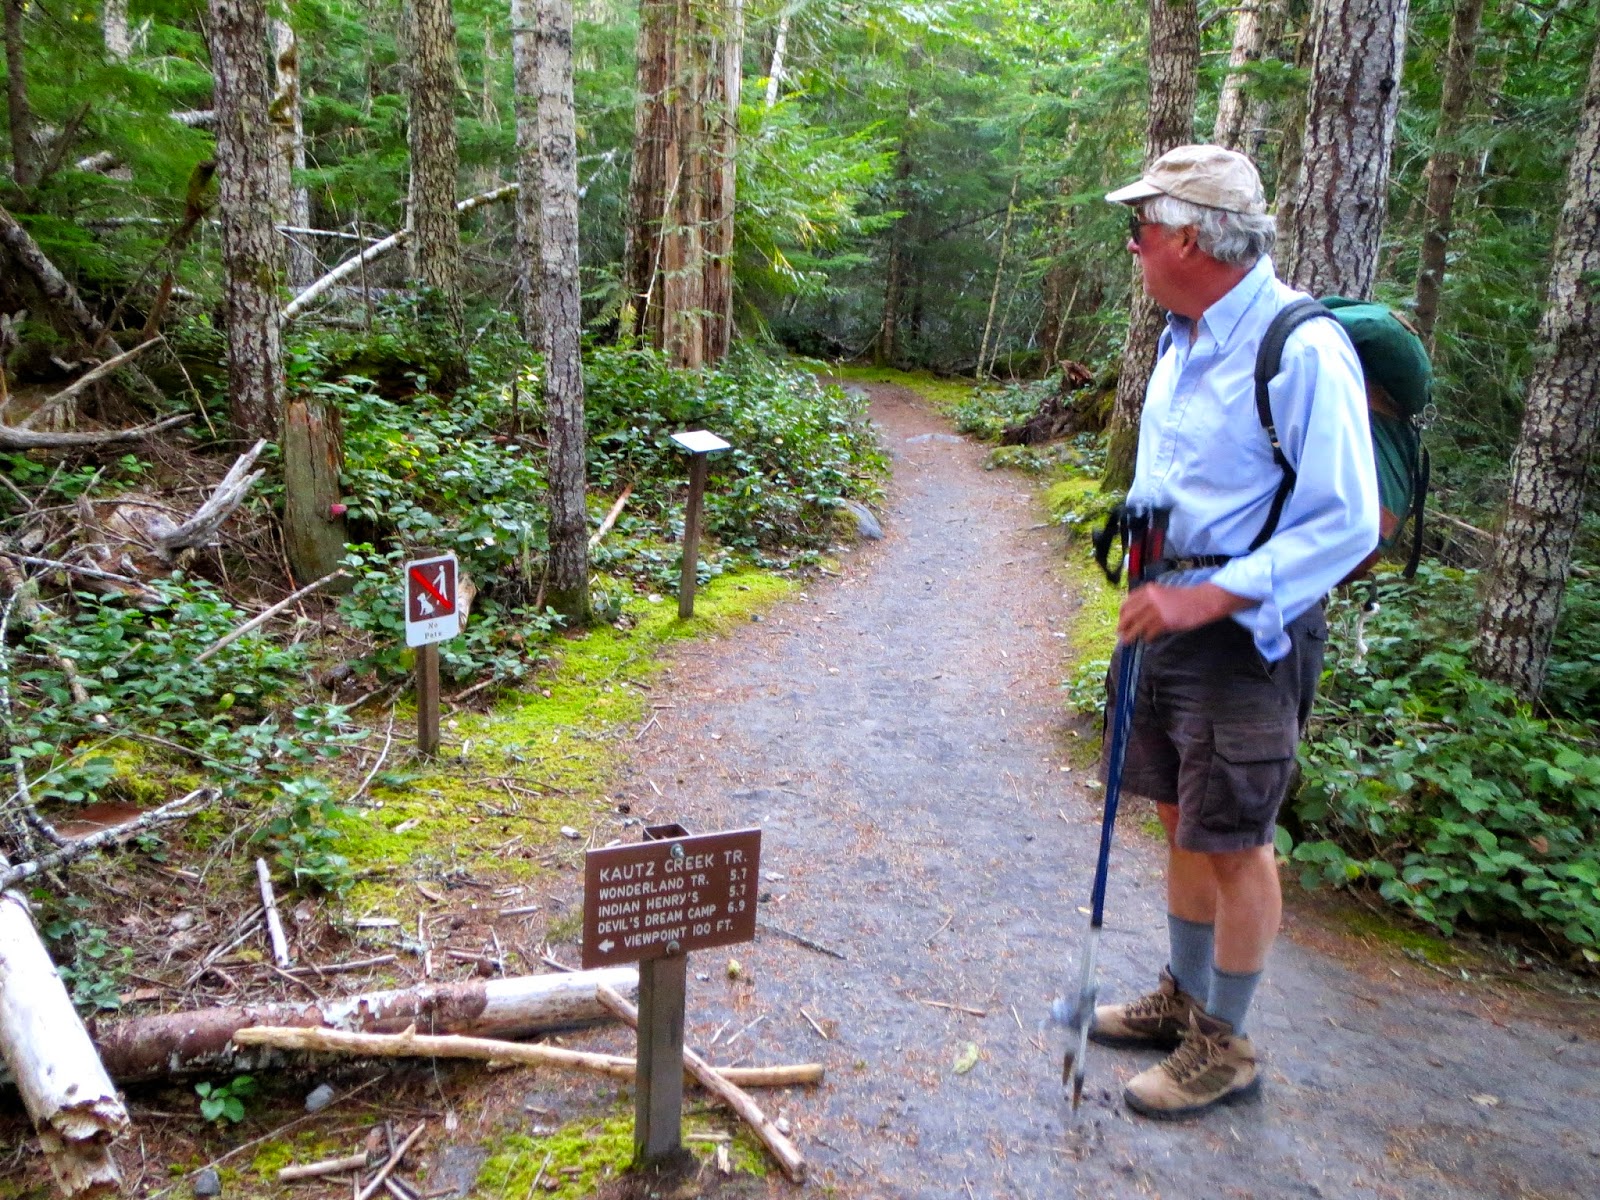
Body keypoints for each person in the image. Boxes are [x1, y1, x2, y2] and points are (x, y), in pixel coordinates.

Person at [1091, 144, 1379, 1119]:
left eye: (1140, 229)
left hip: (1246, 637)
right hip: (1166, 612)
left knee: (1235, 836)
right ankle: (1184, 997)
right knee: (1180, 814)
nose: (1133, 246)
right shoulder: (1183, 337)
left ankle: (1228, 1043)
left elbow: (1346, 519)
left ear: (1187, 238)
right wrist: (1147, 547)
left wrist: (1209, 597)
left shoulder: (1299, 347)